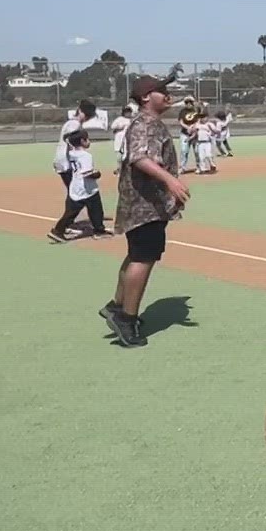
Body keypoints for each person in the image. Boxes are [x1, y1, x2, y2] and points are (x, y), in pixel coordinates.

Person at [102, 76, 191, 349]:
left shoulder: (150, 123)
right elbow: (138, 158)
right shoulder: (144, 124)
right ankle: (127, 318)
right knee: (143, 258)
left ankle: (116, 307)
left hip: (148, 204)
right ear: (145, 98)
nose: (167, 94)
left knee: (136, 255)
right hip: (144, 206)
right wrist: (170, 181)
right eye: (161, 90)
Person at [48, 129, 109, 242]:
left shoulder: (71, 154)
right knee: (96, 209)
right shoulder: (86, 156)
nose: (89, 141)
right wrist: (97, 174)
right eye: (87, 139)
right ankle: (99, 230)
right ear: (82, 141)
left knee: (71, 212)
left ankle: (58, 230)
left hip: (75, 186)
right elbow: (87, 173)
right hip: (87, 188)